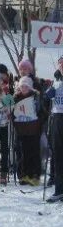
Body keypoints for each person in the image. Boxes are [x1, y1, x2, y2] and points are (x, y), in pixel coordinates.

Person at [13, 76, 42, 186]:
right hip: (21, 129)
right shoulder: (16, 98)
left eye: (26, 86)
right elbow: (12, 113)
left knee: (34, 152)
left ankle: (35, 176)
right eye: (22, 86)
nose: (24, 88)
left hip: (34, 128)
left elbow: (41, 111)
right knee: (23, 153)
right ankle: (24, 175)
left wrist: (39, 122)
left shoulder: (36, 97)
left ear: (30, 87)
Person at [45, 57, 63, 203]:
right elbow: (48, 97)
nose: (62, 66)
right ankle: (59, 190)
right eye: (61, 64)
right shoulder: (56, 79)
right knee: (57, 154)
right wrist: (49, 92)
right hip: (57, 118)